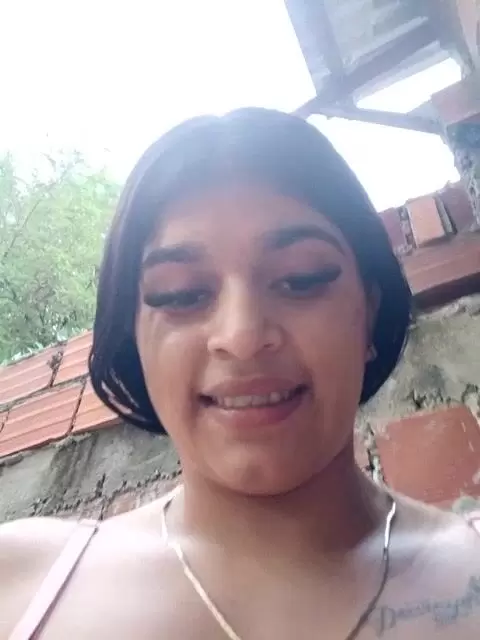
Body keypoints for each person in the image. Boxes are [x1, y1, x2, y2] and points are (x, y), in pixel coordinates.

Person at [1, 108, 479, 640]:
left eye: (300, 279)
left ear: (369, 312)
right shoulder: (19, 583)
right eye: (183, 293)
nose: (243, 334)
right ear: (132, 335)